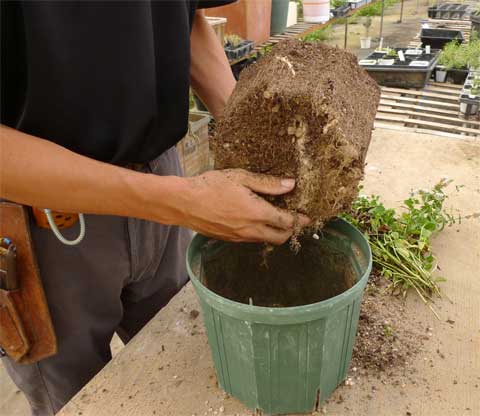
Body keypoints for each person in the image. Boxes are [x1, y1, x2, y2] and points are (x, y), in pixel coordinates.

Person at [0, 1, 310, 414]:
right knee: (77, 400)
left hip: (165, 177)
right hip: (46, 226)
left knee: (185, 364)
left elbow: (183, 18)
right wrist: (181, 202)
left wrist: (245, 133)